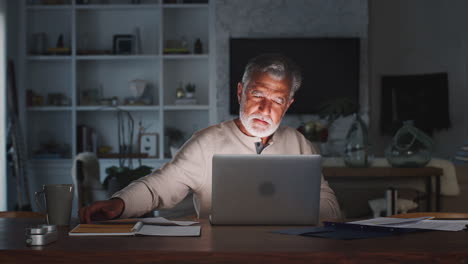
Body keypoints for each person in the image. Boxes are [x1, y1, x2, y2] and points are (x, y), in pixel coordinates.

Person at [79, 53, 341, 223]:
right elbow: (160, 185)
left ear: (288, 105)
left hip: (289, 252)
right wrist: (119, 203)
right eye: (257, 95)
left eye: (277, 100)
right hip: (220, 251)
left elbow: (329, 205)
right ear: (240, 92)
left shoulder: (299, 144)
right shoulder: (206, 142)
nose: (265, 109)